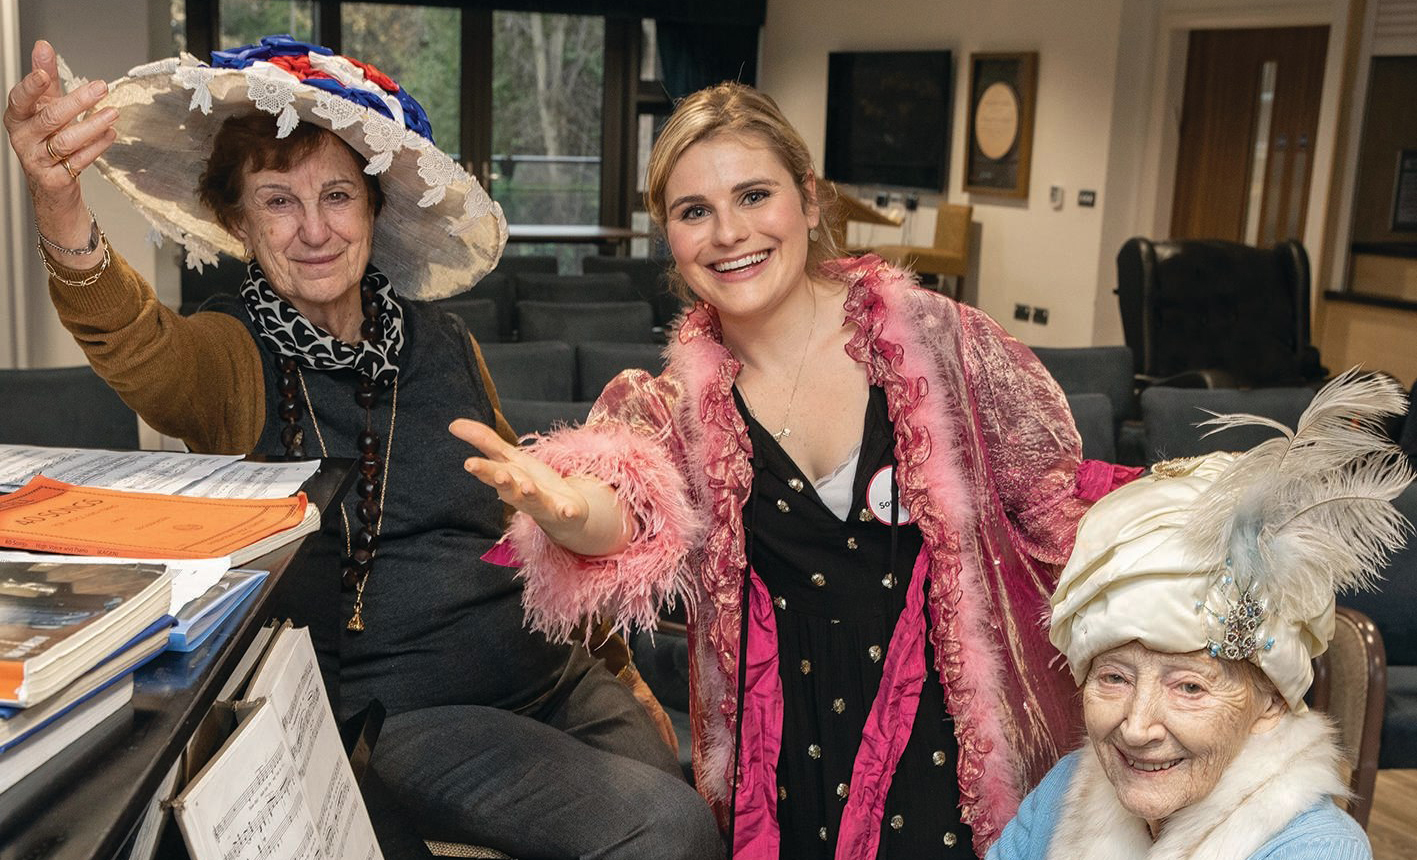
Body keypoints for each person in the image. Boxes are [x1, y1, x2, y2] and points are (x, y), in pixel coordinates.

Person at [4, 35, 721, 860]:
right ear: (238, 221)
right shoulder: (233, 358)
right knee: (668, 830)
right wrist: (60, 207)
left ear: (374, 207)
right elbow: (135, 342)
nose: (314, 230)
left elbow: (519, 517)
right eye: (277, 201)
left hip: (550, 674)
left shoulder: (445, 341)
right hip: (408, 713)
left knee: (682, 803)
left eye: (337, 195)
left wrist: (607, 651)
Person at [453, 81, 1138, 858]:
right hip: (788, 748)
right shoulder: (676, 403)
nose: (728, 233)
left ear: (808, 201)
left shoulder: (941, 347)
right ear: (668, 237)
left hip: (948, 735)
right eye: (694, 211)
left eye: (753, 195)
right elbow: (627, 499)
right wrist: (569, 512)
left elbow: (1051, 504)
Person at [987, 371, 1413, 859]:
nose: (1136, 728)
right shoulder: (1067, 791)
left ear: (1270, 701)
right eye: (1114, 678)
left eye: (1189, 686)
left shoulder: (1316, 850)